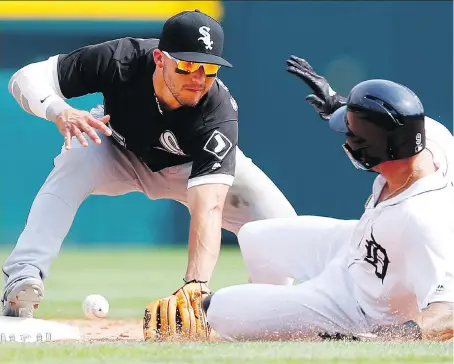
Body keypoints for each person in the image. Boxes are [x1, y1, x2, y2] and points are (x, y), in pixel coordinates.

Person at [2, 10, 296, 319]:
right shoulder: (121, 60)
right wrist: (59, 110)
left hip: (190, 170)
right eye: (188, 65)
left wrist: (196, 283)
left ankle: (259, 314)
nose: (199, 79)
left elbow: (208, 206)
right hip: (117, 149)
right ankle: (24, 277)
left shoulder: (217, 113)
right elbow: (25, 78)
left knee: (282, 230)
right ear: (159, 58)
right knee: (77, 156)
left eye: (209, 69)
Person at [203, 75, 454, 342]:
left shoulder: (422, 219)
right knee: (252, 235)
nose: (345, 138)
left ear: (368, 150)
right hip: (354, 246)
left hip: (358, 308)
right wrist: (341, 104)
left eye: (350, 131)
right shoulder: (431, 137)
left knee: (217, 309)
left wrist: (386, 339)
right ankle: (269, 317)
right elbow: (393, 120)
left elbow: (448, 314)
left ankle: (277, 315)